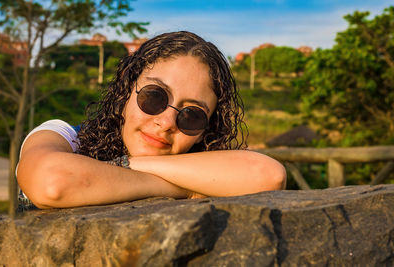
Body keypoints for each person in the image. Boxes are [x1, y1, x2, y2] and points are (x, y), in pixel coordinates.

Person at [17, 31, 286, 209]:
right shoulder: (64, 136)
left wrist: (129, 165)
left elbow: (268, 176)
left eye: (192, 115)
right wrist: (184, 188)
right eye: (155, 97)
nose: (167, 121)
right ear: (125, 89)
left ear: (206, 130)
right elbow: (51, 181)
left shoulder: (204, 161)